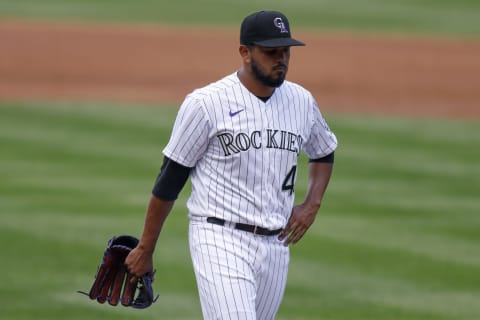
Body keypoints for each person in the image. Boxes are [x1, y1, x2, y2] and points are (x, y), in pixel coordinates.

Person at [125, 10, 338, 320]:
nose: (281, 60)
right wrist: (146, 247)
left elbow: (324, 151)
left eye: (285, 52)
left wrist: (312, 204)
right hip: (220, 238)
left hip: (276, 246)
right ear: (245, 52)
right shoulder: (206, 103)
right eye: (270, 52)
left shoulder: (301, 101)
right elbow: (170, 179)